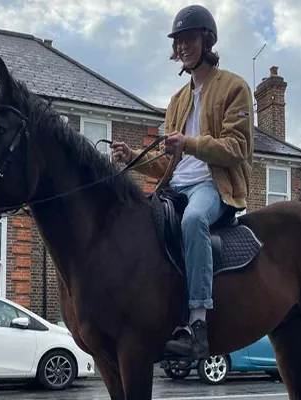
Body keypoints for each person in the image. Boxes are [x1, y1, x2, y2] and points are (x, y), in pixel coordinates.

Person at [110, 4, 254, 360]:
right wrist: (133, 158)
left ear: (206, 41)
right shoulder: (177, 101)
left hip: (213, 188)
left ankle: (198, 323)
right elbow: (166, 164)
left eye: (189, 39)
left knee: (192, 221)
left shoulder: (235, 88)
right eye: (178, 42)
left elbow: (237, 149)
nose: (182, 47)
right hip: (176, 188)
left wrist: (188, 143)